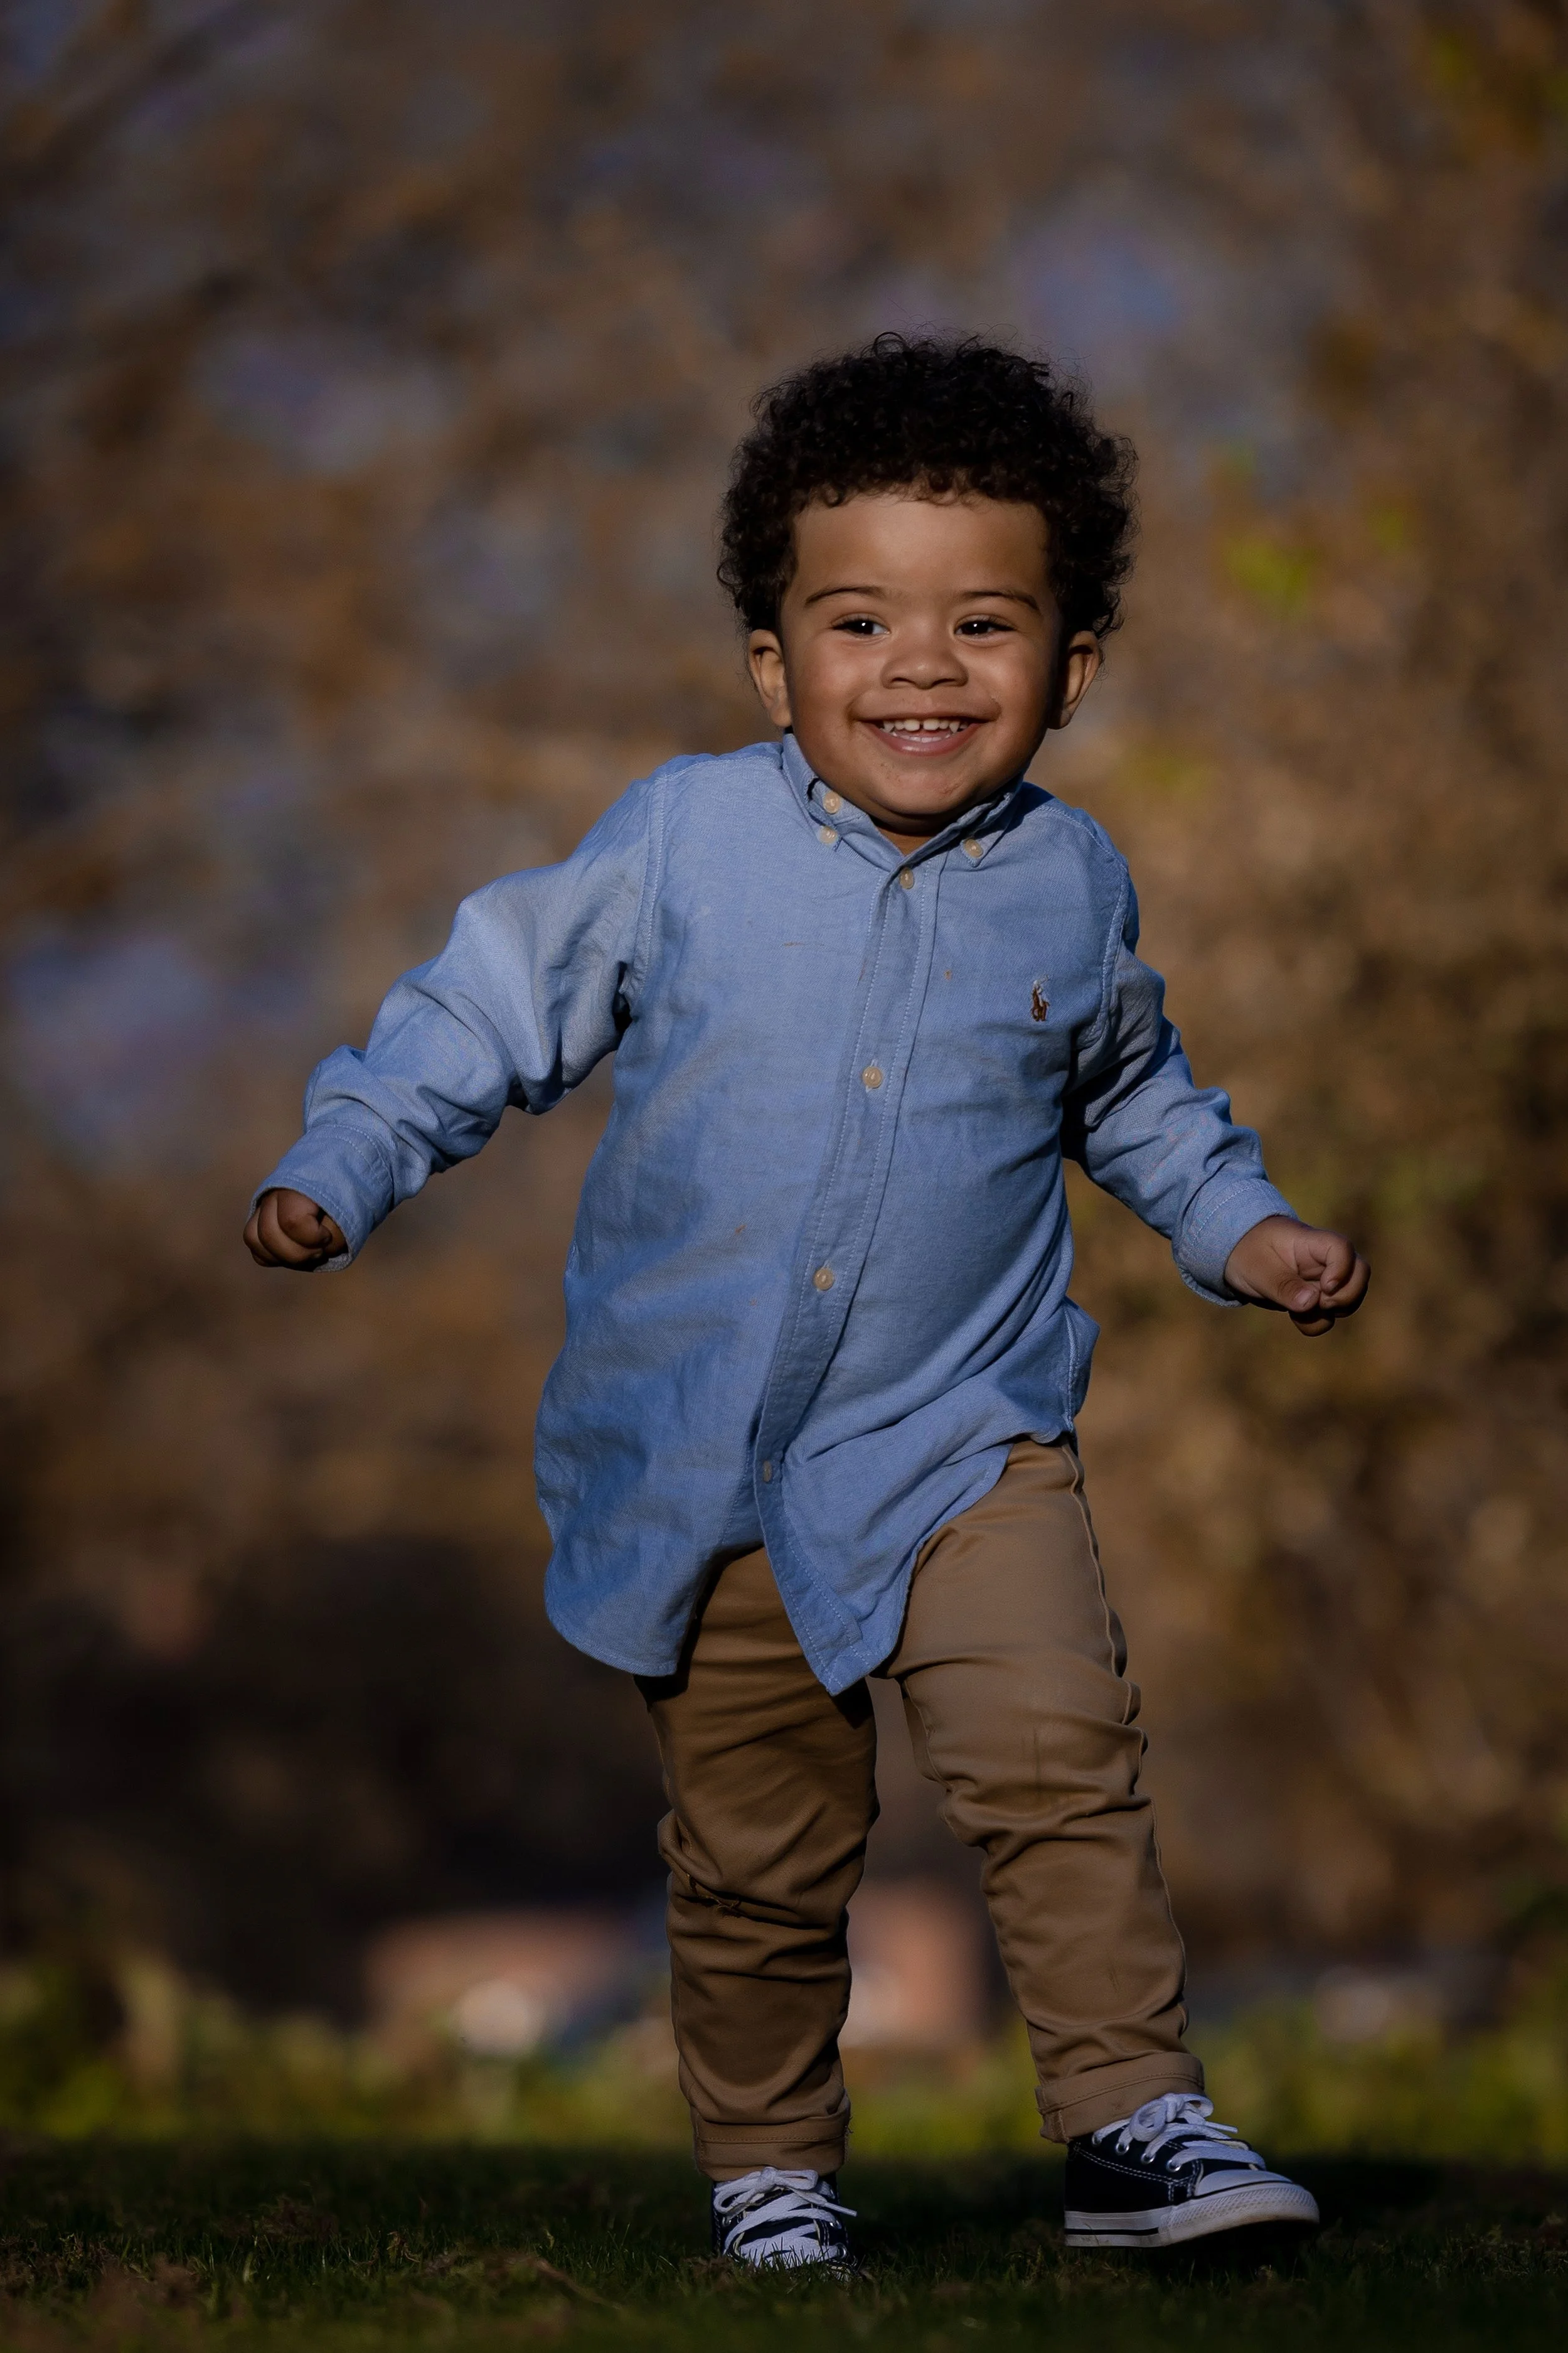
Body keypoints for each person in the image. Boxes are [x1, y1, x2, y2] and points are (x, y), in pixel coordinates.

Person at [246, 336, 1368, 2268]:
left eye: (981, 624)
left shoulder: (1068, 881)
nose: (918, 667)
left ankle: (1132, 2125)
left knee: (1057, 1756)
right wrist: (347, 1160)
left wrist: (1246, 1233)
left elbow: (1136, 1100)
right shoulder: (681, 843)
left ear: (1069, 665)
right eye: (858, 620)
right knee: (764, 1859)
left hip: (959, 1432)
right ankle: (771, 2167)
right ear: (773, 661)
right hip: (704, 1460)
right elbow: (484, 1011)